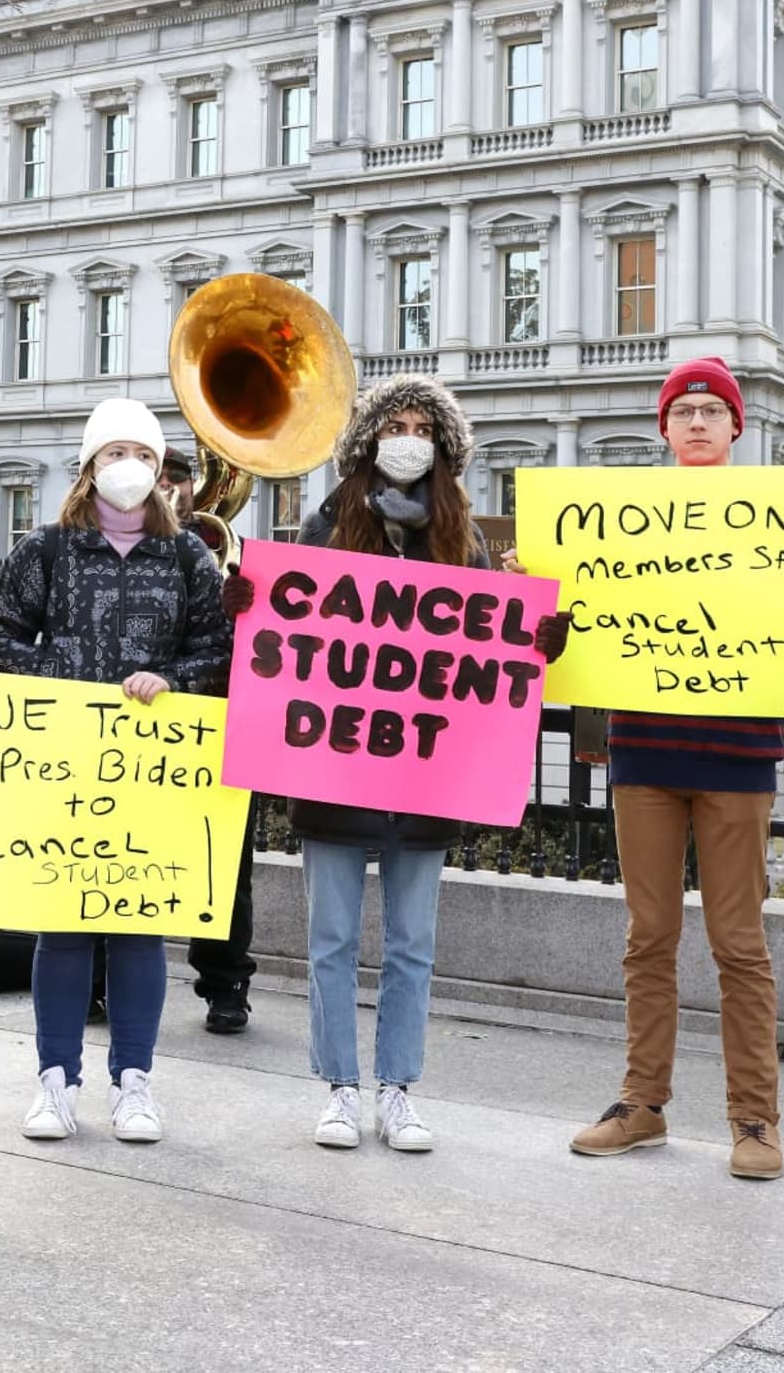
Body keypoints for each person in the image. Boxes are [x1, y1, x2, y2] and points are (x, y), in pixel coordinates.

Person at [222, 379, 567, 1151]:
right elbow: (285, 623)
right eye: (393, 425)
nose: (406, 438)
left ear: (442, 448)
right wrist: (245, 600)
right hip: (335, 771)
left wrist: (538, 639)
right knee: (332, 941)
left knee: (412, 944)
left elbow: (493, 645)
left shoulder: (464, 538)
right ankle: (340, 1087)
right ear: (368, 440)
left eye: (420, 427)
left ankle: (399, 1089)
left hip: (424, 776)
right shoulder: (327, 521)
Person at [521, 358, 784, 1182]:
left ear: (737, 427)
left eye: (715, 410)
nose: (701, 422)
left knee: (739, 944)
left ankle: (755, 1118)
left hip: (740, 753)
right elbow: (568, 636)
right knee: (649, 938)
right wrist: (534, 594)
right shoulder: (618, 521)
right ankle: (642, 1103)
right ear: (664, 428)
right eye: (686, 411)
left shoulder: (780, 522)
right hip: (643, 749)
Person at [0, 398, 231, 1143]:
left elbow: (219, 649)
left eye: (145, 456)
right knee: (63, 928)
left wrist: (173, 679)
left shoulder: (188, 557)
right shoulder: (47, 550)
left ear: (161, 471)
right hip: (65, 765)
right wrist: (52, 666)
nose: (132, 468)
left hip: (150, 769)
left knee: (139, 930)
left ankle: (134, 1082)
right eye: (116, 452)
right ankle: (55, 1082)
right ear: (90, 466)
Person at [160, 444, 259, 1036]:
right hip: (141, 721)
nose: (169, 488)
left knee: (226, 867)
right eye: (158, 478)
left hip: (219, 722)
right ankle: (100, 981)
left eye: (179, 478)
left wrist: (242, 602)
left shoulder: (230, 550)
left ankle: (226, 987)